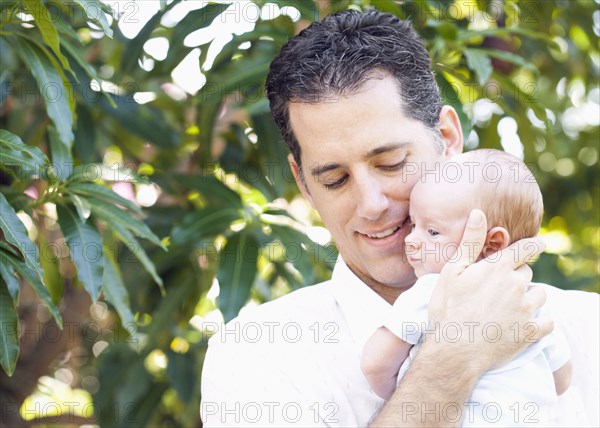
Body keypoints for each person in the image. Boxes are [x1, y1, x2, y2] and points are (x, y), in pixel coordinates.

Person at [201, 9, 598, 427]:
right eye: (335, 179)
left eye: (391, 163)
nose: (371, 204)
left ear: (447, 140)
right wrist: (452, 356)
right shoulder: (257, 356)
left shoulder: (587, 326)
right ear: (303, 185)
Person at [361, 149, 572, 425]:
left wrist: (405, 392)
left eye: (432, 232)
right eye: (414, 225)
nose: (411, 240)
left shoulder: (432, 289)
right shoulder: (528, 300)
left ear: (491, 245)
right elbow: (562, 378)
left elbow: (375, 365)